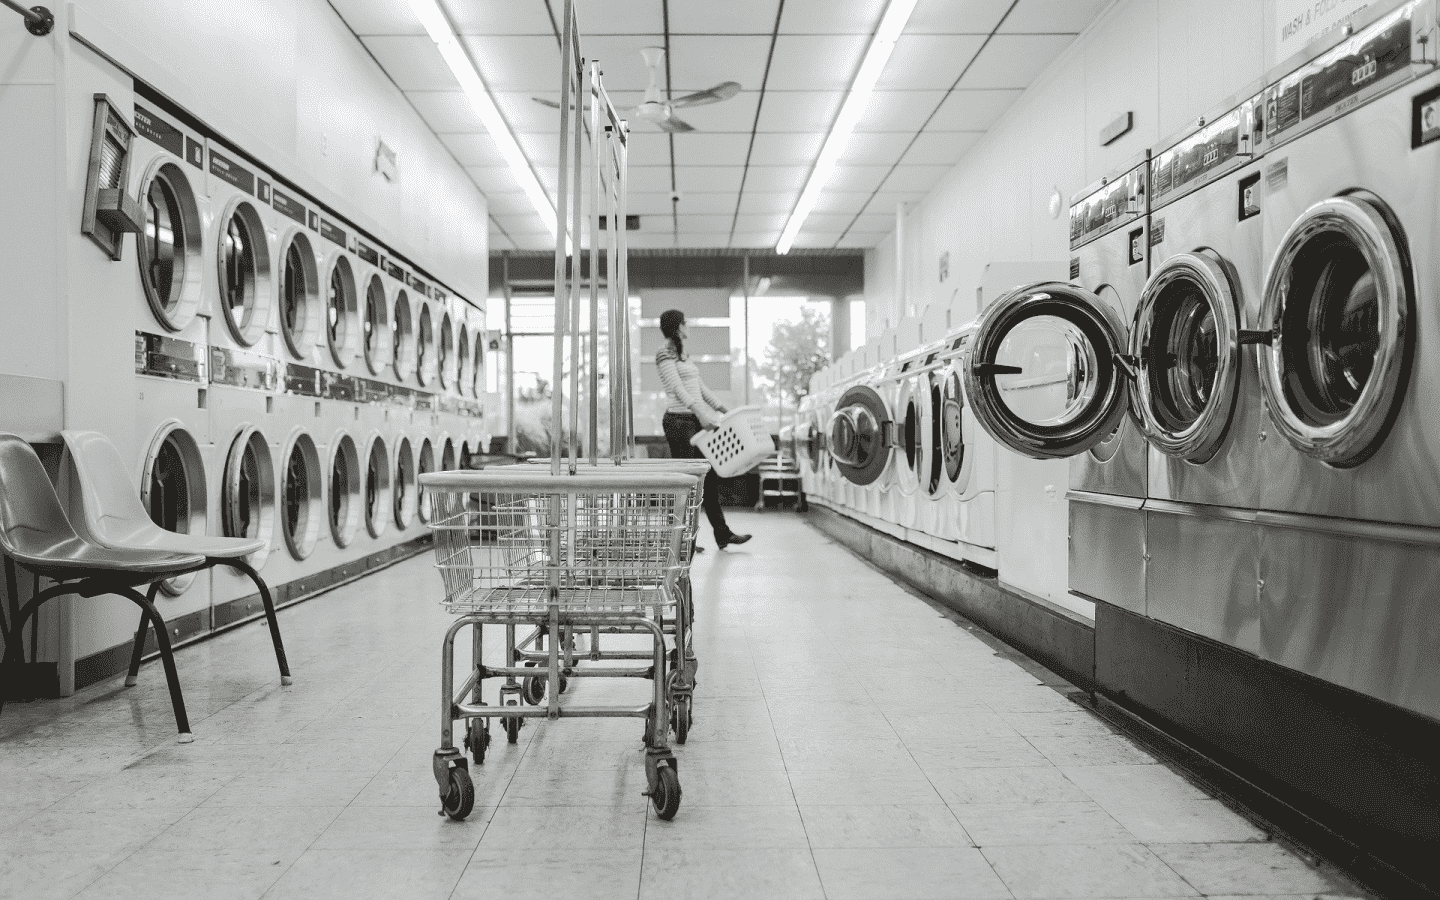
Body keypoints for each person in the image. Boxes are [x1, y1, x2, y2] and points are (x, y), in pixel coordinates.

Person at [656, 309, 751, 551]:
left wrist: (724, 409)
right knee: (687, 483)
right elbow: (678, 389)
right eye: (685, 323)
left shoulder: (684, 355)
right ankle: (681, 540)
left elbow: (700, 387)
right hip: (678, 422)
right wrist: (701, 413)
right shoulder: (664, 354)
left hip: (693, 421)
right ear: (678, 326)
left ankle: (722, 534)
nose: (688, 326)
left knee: (708, 479)